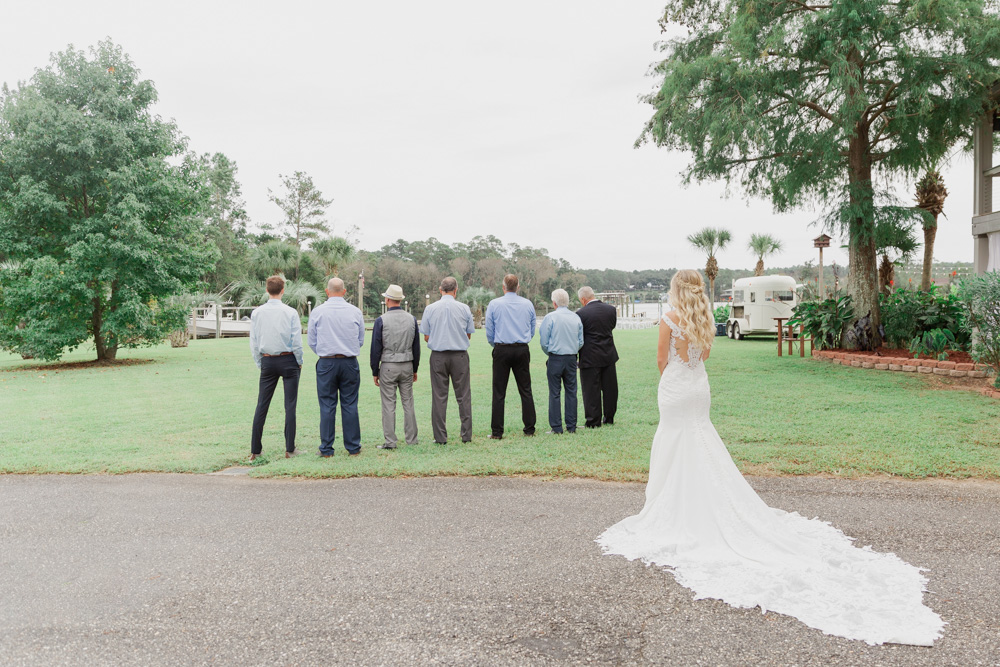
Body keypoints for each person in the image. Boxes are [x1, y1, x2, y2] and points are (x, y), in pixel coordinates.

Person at [597, 270, 943, 646]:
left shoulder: (669, 318)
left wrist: (672, 378)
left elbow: (662, 360)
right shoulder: (704, 318)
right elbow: (705, 354)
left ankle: (677, 506)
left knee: (674, 441)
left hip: (677, 387)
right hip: (699, 386)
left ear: (676, 290)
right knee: (700, 441)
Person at [308, 277, 365, 457]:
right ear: (344, 291)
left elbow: (312, 341)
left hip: (326, 362)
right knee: (349, 404)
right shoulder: (355, 312)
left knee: (327, 405)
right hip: (349, 361)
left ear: (327, 291)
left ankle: (326, 448)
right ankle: (353, 447)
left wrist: (325, 351)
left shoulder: (317, 312)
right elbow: (360, 339)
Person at [248, 275, 304, 461]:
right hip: (288, 360)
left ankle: (255, 450)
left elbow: (254, 341)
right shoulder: (290, 312)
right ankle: (290, 448)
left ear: (267, 290)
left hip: (268, 361)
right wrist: (299, 360)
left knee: (261, 405)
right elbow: (296, 340)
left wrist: (259, 362)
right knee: (290, 405)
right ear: (283, 290)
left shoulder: (257, 313)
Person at [420, 276, 475, 445]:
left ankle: (440, 437)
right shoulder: (464, 308)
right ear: (456, 290)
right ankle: (466, 435)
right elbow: (469, 334)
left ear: (440, 289)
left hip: (438, 356)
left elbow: (426, 336)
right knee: (463, 396)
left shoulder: (430, 309)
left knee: (439, 397)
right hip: (459, 355)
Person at [484, 274, 536, 439]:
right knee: (525, 389)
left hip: (502, 349)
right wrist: (523, 339)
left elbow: (490, 330)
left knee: (499, 392)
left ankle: (497, 432)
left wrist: (496, 345)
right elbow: (532, 327)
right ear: (518, 287)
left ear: (503, 287)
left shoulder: (494, 304)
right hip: (521, 349)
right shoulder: (527, 304)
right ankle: (529, 429)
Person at [370, 284, 420, 449]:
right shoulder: (411, 319)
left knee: (388, 404)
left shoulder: (381, 320)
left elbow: (376, 348)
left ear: (387, 299)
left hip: (388, 364)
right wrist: (415, 369)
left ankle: (390, 441)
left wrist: (374, 370)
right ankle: (412, 439)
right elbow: (416, 347)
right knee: (408, 402)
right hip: (406, 363)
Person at [538, 288, 583, 434]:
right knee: (571, 391)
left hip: (555, 357)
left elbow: (544, 341)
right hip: (571, 358)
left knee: (554, 392)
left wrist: (550, 352)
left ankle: (556, 427)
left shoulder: (550, 317)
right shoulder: (576, 317)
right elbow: (580, 341)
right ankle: (571, 426)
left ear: (554, 302)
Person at [576, 286, 619, 428]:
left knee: (590, 390)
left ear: (583, 299)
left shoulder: (581, 314)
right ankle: (609, 418)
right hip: (608, 354)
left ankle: (593, 421)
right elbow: (611, 327)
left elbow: (580, 335)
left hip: (589, 356)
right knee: (610, 388)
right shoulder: (611, 310)